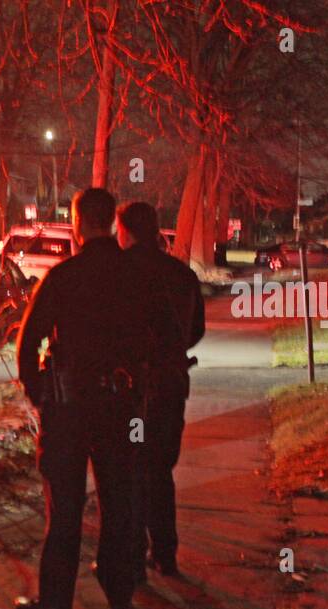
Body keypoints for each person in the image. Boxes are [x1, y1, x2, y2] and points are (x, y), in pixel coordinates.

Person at [13, 188, 164, 609]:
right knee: (119, 503)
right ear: (113, 224)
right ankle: (121, 599)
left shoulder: (63, 276)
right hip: (120, 407)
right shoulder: (138, 279)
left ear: (77, 224)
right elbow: (164, 337)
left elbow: (28, 343)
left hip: (69, 408)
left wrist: (39, 392)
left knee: (65, 508)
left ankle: (58, 606)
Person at [116, 201, 205, 578]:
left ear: (126, 231)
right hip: (171, 385)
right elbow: (196, 331)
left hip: (132, 391)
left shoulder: (120, 273)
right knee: (160, 470)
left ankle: (133, 554)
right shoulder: (181, 275)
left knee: (130, 470)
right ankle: (165, 553)